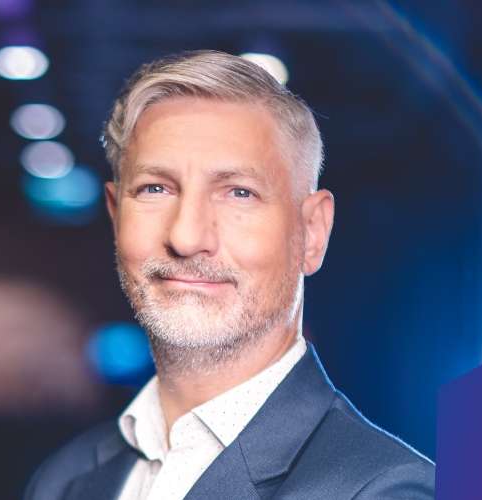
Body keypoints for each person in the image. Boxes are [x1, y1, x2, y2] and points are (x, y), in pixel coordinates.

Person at [24, 50, 435, 499]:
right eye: (155, 189)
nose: (186, 237)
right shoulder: (63, 479)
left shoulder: (390, 491)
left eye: (239, 192)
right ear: (115, 214)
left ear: (312, 233)